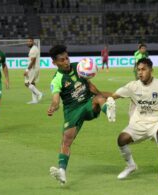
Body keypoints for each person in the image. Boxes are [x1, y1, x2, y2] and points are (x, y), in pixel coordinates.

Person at [110, 58, 158, 184]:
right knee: (121, 139)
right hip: (138, 123)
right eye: (138, 70)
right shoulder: (132, 86)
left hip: (157, 121)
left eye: (143, 69)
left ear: (151, 70)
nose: (140, 73)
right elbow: (113, 95)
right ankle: (131, 166)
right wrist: (99, 97)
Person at [47, 45, 116, 185]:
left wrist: (102, 95)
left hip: (87, 103)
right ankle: (62, 172)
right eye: (62, 60)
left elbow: (89, 85)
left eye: (67, 58)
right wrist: (53, 107)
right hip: (72, 112)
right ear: (54, 63)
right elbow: (55, 99)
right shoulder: (56, 79)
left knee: (98, 99)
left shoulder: (78, 67)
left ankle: (108, 110)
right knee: (66, 142)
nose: (66, 62)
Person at [24, 37, 43, 104]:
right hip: (34, 68)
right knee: (32, 84)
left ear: (33, 42)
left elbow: (33, 61)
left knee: (27, 83)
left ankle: (39, 93)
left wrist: (27, 70)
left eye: (30, 41)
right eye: (28, 41)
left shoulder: (33, 50)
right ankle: (34, 100)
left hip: (32, 69)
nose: (29, 42)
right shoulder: (33, 49)